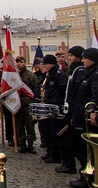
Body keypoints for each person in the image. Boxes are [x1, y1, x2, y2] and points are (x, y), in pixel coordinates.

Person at [64, 47, 98, 188]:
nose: (83, 60)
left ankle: (88, 177)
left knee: (83, 148)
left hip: (87, 119)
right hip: (79, 115)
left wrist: (93, 110)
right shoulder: (88, 73)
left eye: (85, 58)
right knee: (79, 147)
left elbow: (95, 96)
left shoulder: (95, 75)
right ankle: (86, 175)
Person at [59, 46, 85, 174]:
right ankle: (69, 165)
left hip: (76, 111)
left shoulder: (80, 71)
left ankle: (83, 171)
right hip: (70, 108)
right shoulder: (73, 70)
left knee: (77, 144)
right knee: (68, 140)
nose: (69, 58)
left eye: (71, 56)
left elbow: (78, 92)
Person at [40, 54, 68, 165]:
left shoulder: (59, 74)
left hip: (56, 107)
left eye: (45, 64)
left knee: (55, 133)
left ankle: (55, 155)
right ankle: (50, 152)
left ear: (51, 63)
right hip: (50, 106)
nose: (44, 66)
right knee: (49, 132)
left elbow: (64, 90)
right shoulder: (50, 74)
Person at [15, 55, 38, 154]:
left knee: (29, 126)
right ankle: (22, 144)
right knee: (19, 126)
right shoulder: (14, 76)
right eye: (18, 62)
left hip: (28, 104)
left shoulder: (30, 75)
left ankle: (30, 144)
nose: (19, 64)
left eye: (22, 61)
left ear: (25, 62)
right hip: (17, 104)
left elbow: (35, 89)